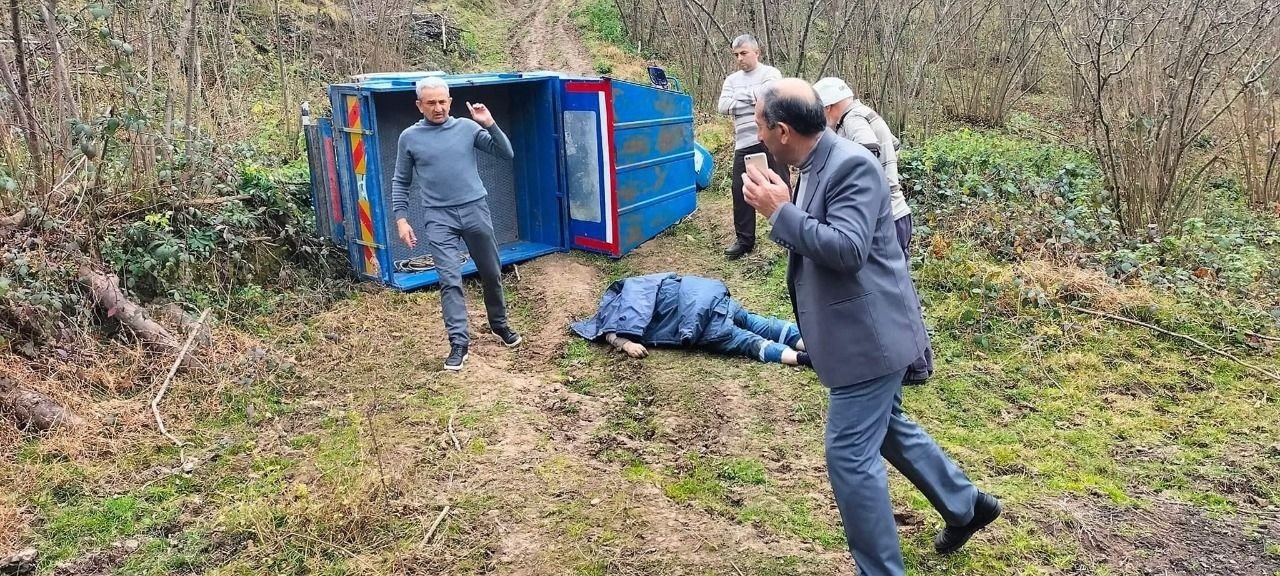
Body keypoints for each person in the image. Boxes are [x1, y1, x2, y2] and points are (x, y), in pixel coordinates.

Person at [741, 78, 1000, 576]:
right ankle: (967, 506)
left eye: (758, 124)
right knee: (889, 431)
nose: (757, 132)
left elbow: (847, 249)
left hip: (870, 338)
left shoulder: (851, 164)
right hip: (857, 331)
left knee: (849, 457)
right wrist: (784, 209)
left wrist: (781, 213)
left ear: (782, 129)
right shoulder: (810, 162)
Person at [391, 76, 522, 371]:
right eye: (431, 103)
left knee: (490, 271)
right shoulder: (409, 138)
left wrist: (489, 123)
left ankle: (499, 324)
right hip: (439, 218)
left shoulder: (467, 127)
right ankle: (458, 343)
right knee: (450, 280)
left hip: (475, 209)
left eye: (442, 101)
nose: (438, 108)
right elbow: (400, 182)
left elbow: (506, 152)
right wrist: (401, 219)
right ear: (419, 105)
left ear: (450, 101)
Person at [812, 76, 933, 384]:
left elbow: (868, 147)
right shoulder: (868, 113)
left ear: (831, 107)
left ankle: (916, 366)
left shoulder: (853, 120)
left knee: (894, 294)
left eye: (823, 112)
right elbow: (892, 146)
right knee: (900, 289)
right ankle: (919, 361)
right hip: (898, 212)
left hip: (887, 218)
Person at [571, 272, 811, 367]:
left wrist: (625, 344)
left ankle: (802, 358)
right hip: (711, 298)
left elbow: (612, 333)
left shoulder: (616, 318)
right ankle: (811, 342)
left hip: (703, 324)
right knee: (758, 323)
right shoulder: (639, 283)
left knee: (749, 342)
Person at [717, 34, 788, 260]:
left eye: (744, 53)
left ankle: (791, 233)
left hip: (771, 138)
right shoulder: (731, 80)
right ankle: (745, 240)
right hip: (744, 141)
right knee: (741, 190)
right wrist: (754, 97)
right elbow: (722, 107)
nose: (739, 58)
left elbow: (770, 95)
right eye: (736, 55)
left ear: (757, 53)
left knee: (782, 184)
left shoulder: (770, 73)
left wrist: (742, 99)